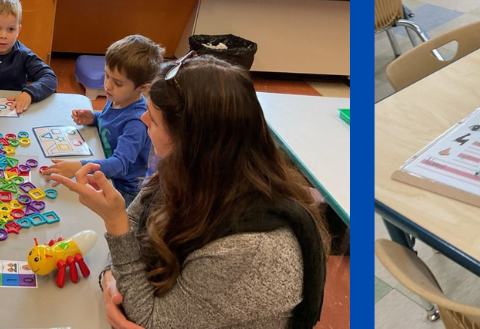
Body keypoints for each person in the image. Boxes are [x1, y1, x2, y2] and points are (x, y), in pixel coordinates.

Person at [49, 55, 329, 328]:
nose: (143, 119)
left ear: (191, 141)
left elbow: (147, 318)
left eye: (155, 120)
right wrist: (111, 276)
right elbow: (136, 224)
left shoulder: (247, 249)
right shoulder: (194, 170)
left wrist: (115, 225)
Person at [42, 35, 163, 200]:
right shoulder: (118, 97)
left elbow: (120, 164)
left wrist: (79, 166)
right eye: (107, 75)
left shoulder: (136, 122)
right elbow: (113, 121)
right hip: (101, 165)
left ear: (142, 88)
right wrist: (94, 118)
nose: (108, 85)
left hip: (122, 188)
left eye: (118, 83)